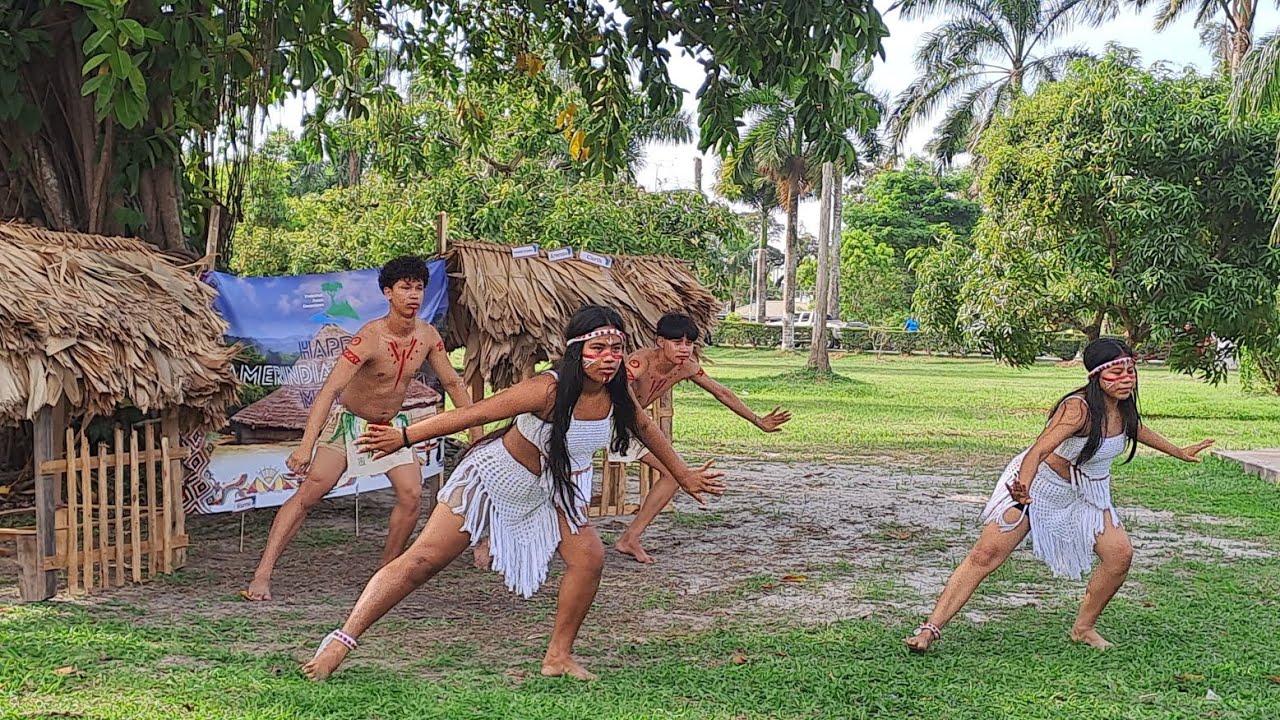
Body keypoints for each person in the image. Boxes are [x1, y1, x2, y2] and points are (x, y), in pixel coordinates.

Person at [300, 305, 726, 681]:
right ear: (578, 351)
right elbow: (473, 413)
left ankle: (558, 656)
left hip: (555, 490)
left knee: (589, 560)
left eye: (616, 349)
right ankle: (342, 638)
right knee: (422, 561)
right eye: (599, 349)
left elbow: (647, 430)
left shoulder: (618, 396)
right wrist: (405, 436)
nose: (609, 358)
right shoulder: (546, 389)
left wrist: (684, 475)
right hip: (494, 479)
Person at [904, 338, 1215, 652]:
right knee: (985, 556)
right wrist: (1022, 487)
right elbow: (1039, 450)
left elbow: (1135, 429)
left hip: (1088, 493)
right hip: (1039, 486)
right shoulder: (1077, 409)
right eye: (1115, 373)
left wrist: (1178, 451)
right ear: (1095, 376)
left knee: (1119, 557)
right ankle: (929, 631)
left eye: (1130, 371)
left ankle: (1083, 628)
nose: (1125, 379)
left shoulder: (1122, 407)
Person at [470, 312, 789, 567]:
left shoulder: (688, 366)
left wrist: (758, 421)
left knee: (672, 474)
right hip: (597, 421)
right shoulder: (637, 363)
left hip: (628, 429)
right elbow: (607, 387)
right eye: (677, 342)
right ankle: (492, 537)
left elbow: (721, 391)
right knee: (540, 480)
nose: (684, 348)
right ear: (659, 342)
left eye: (689, 343)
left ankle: (630, 538)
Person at [243, 256, 478, 602]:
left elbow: (453, 383)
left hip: (391, 428)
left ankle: (387, 574)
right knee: (311, 492)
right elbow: (329, 390)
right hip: (349, 424)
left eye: (418, 288)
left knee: (411, 494)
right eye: (404, 288)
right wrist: (306, 446)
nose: (413, 295)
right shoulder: (369, 337)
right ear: (388, 292)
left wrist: (476, 432)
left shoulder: (428, 336)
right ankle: (262, 573)